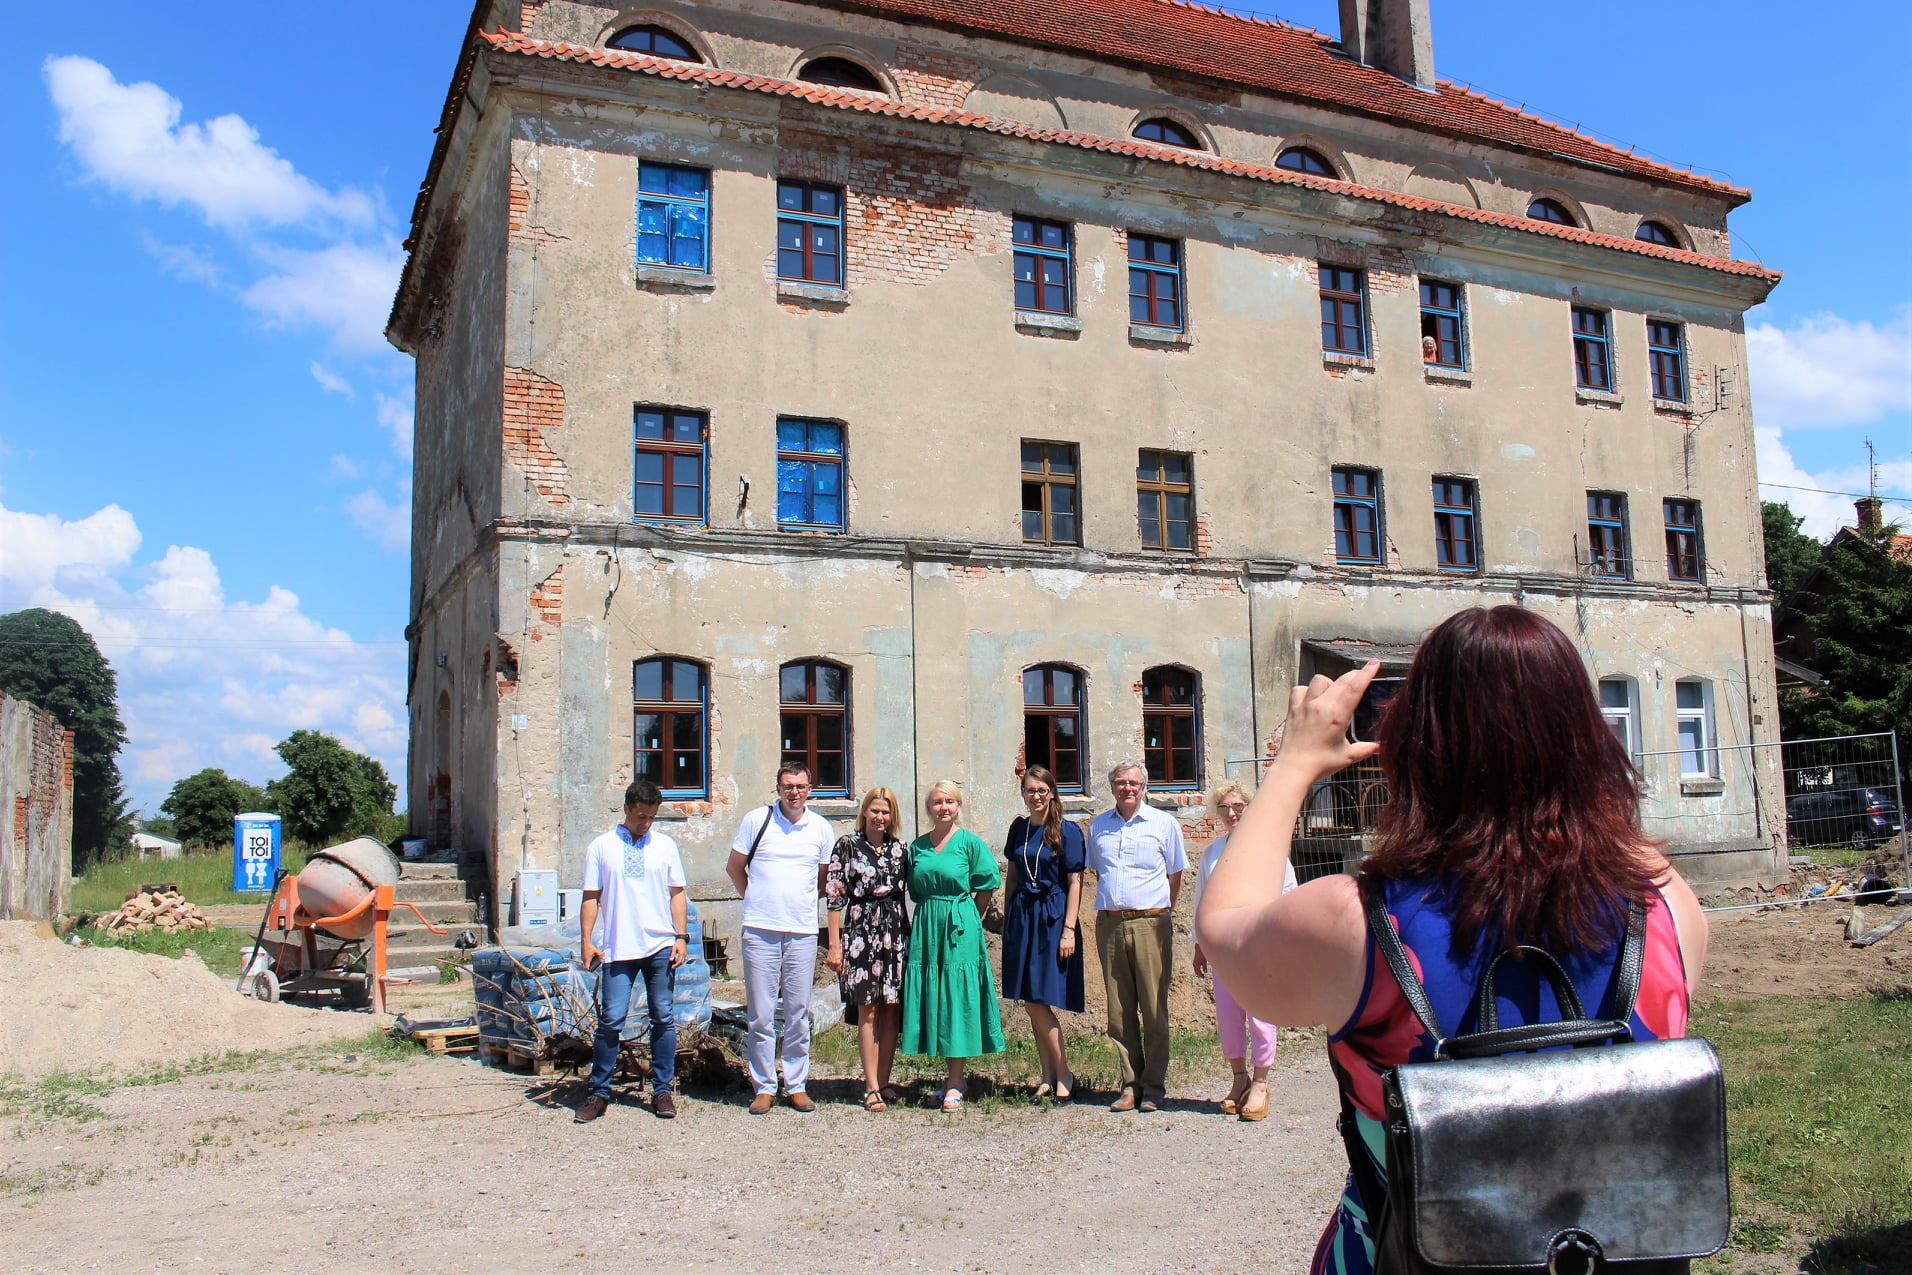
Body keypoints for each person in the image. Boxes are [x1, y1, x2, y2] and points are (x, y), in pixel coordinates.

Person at [1198, 607, 1709, 1275]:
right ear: (1587, 736)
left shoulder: (1357, 919)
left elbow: (1225, 922)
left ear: (1415, 742)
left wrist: (1293, 764)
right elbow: (1604, 840)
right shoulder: (1665, 905)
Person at [575, 779, 690, 1124]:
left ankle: (662, 1090)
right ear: (626, 809)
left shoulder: (665, 846)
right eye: (641, 816)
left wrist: (681, 937)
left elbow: (677, 893)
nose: (646, 823)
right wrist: (586, 940)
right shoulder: (601, 847)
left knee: (663, 1017)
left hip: (659, 944)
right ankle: (599, 1092)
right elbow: (591, 896)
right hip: (619, 946)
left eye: (652, 817)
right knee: (611, 1019)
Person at [727, 761, 836, 1115]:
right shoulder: (756, 821)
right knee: (760, 1013)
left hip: (802, 931)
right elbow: (734, 867)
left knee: (797, 1012)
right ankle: (763, 1086)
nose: (794, 792)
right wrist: (756, 899)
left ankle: (796, 1085)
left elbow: (823, 880)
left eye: (800, 786)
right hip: (760, 930)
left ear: (810, 790)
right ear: (778, 789)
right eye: (788, 786)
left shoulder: (821, 828)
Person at [1086, 760, 1188, 1113]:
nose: (1127, 788)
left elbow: (1176, 873)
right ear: (1112, 786)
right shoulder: (1098, 827)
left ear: (1144, 787)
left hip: (1151, 923)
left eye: (1133, 783)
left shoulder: (1164, 824)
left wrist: (1162, 911)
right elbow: (1098, 871)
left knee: (1154, 1007)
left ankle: (1154, 1086)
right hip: (1110, 924)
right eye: (1120, 782)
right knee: (1119, 1010)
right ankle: (1130, 1085)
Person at [900, 780, 1005, 1111]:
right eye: (937, 802)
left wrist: (971, 917)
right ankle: (949, 1078)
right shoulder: (918, 847)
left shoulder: (970, 844)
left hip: (959, 926)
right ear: (928, 808)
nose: (943, 807)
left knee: (956, 997)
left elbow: (987, 884)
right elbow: (914, 889)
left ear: (958, 807)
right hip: (928, 925)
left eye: (949, 802)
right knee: (935, 995)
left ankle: (957, 1081)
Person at [1190, 780, 1291, 1121]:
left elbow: (1288, 892)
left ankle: (1261, 1082)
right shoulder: (1212, 854)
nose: (1231, 813)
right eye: (1224, 808)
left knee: (1260, 1013)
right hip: (1223, 946)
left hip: (1259, 944)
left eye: (1238, 806)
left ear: (1249, 808)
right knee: (1228, 1014)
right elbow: (1201, 900)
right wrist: (1199, 945)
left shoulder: (1269, 849)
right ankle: (1239, 1078)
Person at [998, 765, 1086, 1102]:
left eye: (1042, 790)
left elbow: (1075, 881)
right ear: (1023, 793)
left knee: (1039, 1001)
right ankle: (1047, 1076)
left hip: (1052, 917)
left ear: (1052, 793)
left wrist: (1069, 930)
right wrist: (1008, 917)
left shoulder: (1066, 830)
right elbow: (1013, 875)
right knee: (1030, 999)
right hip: (1023, 916)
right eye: (1030, 790)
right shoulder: (1019, 829)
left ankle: (1065, 1073)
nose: (1036, 796)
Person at [825, 787, 911, 1111]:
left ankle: (885, 1081)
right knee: (867, 1008)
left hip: (895, 931)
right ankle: (871, 1085)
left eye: (885, 811)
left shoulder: (901, 849)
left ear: (892, 815)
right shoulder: (847, 845)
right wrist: (834, 945)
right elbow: (834, 897)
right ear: (864, 812)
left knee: (891, 1008)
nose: (880, 817)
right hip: (861, 931)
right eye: (875, 810)